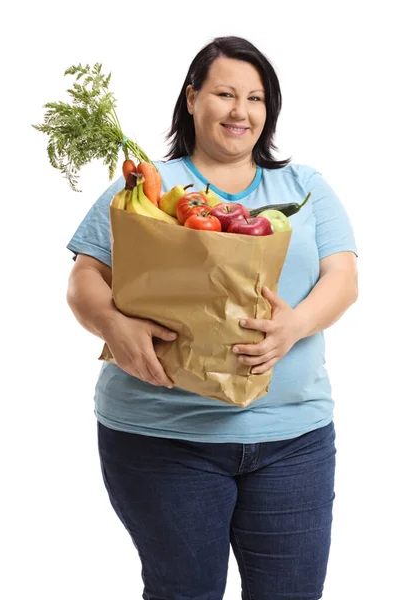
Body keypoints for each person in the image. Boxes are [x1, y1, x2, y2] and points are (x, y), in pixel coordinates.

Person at [66, 36, 358, 600]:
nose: (239, 110)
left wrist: (294, 326)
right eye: (224, 93)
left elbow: (342, 279)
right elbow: (84, 280)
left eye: (255, 97)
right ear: (193, 97)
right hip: (163, 437)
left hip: (293, 439)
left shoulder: (305, 188)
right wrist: (113, 325)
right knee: (185, 592)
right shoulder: (145, 186)